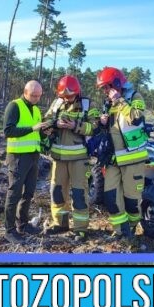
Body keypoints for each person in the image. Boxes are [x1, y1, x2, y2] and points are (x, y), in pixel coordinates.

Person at [95, 66, 149, 239]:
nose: (105, 91)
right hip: (112, 159)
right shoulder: (108, 103)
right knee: (111, 197)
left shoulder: (135, 97)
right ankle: (120, 231)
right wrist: (102, 121)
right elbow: (110, 128)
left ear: (117, 83)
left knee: (132, 202)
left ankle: (132, 227)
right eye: (103, 88)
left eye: (106, 87)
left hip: (132, 158)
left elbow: (136, 118)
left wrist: (120, 101)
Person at [43, 75, 93, 239]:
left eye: (69, 95)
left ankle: (80, 229)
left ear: (77, 92)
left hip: (79, 159)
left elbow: (95, 128)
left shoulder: (87, 105)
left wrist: (75, 126)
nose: (66, 98)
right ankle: (60, 224)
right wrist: (55, 123)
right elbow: (46, 121)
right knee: (57, 192)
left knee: (79, 194)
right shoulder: (57, 103)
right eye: (63, 95)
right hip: (58, 158)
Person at [2, 80, 51, 243]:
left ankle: (23, 224)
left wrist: (45, 133)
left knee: (29, 192)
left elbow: (37, 134)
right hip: (17, 157)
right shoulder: (14, 106)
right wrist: (33, 128)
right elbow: (8, 131)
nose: (36, 98)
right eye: (33, 95)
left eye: (39, 96)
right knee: (14, 192)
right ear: (25, 92)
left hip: (33, 156)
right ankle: (9, 230)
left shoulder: (36, 109)